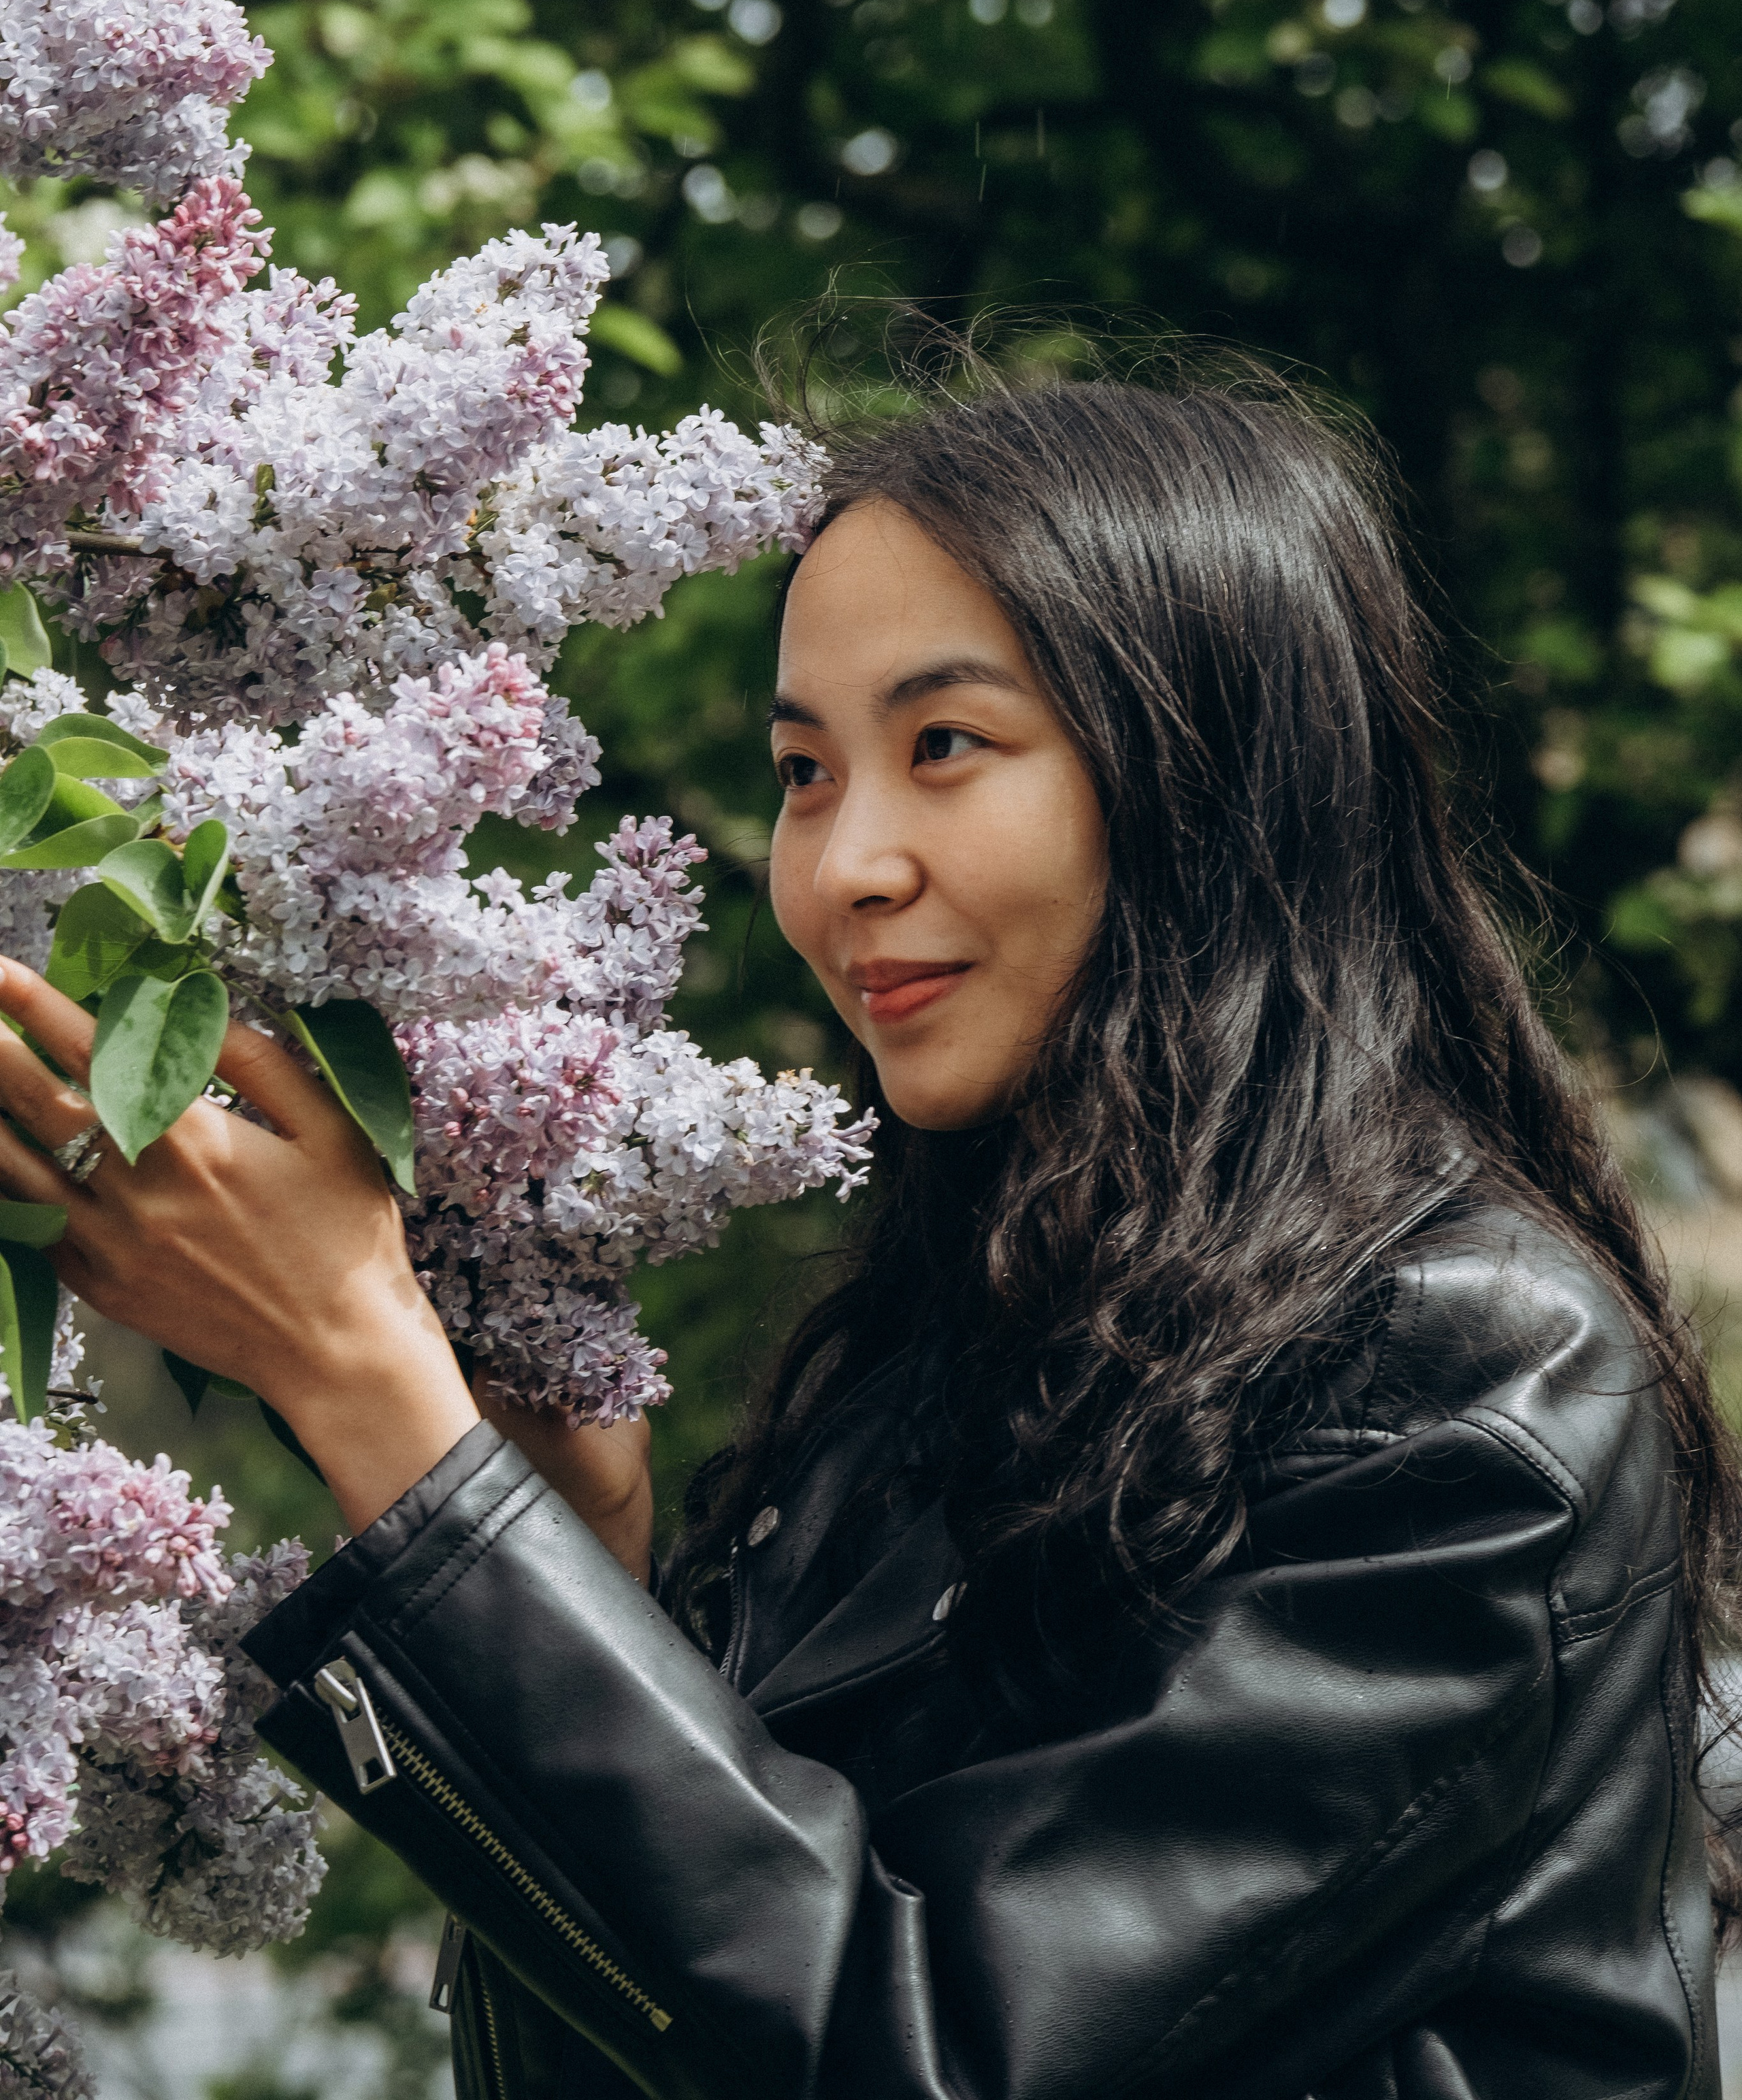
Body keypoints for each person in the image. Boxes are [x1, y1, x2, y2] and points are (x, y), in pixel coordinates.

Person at [0, 369, 1734, 2100]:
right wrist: (581, 1574)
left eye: (944, 746)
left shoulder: (1454, 1371)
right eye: (804, 772)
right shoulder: (952, 1355)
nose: (843, 868)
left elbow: (920, 2058)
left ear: (1209, 770)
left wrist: (360, 1378)